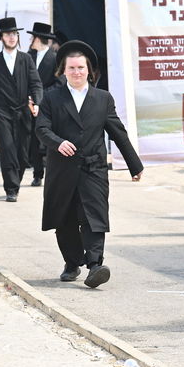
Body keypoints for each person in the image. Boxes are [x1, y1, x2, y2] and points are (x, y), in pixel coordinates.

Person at [36, 40, 144, 288]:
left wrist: (134, 165)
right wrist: (57, 142)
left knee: (94, 215)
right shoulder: (52, 98)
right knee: (65, 219)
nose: (76, 72)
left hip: (93, 167)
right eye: (71, 68)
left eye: (81, 68)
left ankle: (95, 265)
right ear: (63, 70)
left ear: (89, 70)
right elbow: (41, 128)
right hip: (62, 169)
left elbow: (118, 132)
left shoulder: (102, 98)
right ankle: (72, 263)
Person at [0, 17, 43, 202]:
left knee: (22, 154)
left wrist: (38, 103)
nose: (11, 37)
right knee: (7, 149)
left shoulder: (26, 59)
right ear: (1, 37)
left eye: (14, 34)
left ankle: (15, 180)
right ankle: (11, 188)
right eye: (8, 34)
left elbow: (36, 83)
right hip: (1, 112)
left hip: (23, 111)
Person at [26, 21, 60, 187]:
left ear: (38, 39)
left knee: (47, 141)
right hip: (30, 105)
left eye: (33, 37)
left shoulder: (54, 58)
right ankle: (37, 174)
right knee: (33, 140)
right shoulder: (28, 56)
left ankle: (52, 174)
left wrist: (40, 97)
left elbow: (59, 83)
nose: (31, 40)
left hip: (47, 106)